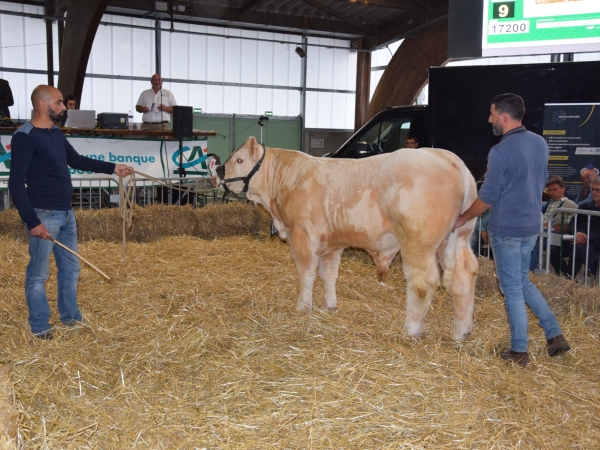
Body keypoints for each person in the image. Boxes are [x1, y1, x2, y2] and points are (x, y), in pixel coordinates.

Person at [8, 85, 134, 340]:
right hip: (42, 214)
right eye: (59, 103)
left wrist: (114, 167)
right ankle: (40, 325)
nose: (64, 107)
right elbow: (15, 183)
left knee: (71, 269)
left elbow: (76, 160)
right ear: (43, 105)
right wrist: (32, 221)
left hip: (66, 214)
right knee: (38, 274)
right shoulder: (25, 136)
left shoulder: (55, 133)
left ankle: (69, 317)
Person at [454, 93, 570, 367]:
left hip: (507, 228)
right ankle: (554, 336)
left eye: (493, 113)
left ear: (504, 117)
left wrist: (462, 218)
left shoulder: (501, 151)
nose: (489, 119)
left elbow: (488, 196)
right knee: (522, 282)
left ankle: (519, 350)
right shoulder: (539, 143)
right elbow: (539, 180)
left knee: (512, 289)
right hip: (530, 225)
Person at [550, 177, 600, 279]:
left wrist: (585, 238)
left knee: (576, 252)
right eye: (593, 189)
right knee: (553, 250)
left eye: (598, 190)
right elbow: (572, 223)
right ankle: (568, 281)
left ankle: (567, 282)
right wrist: (576, 233)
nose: (594, 192)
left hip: (594, 243)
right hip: (576, 239)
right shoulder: (584, 206)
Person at [529, 175, 578, 272]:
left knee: (535, 243)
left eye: (554, 190)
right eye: (549, 190)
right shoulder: (545, 204)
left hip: (557, 236)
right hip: (540, 233)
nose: (551, 193)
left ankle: (529, 271)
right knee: (527, 241)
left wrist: (552, 226)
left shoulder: (571, 205)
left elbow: (570, 226)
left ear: (563, 189)